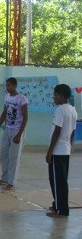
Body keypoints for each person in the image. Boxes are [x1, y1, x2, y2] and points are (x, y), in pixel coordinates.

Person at [45, 84, 77, 218]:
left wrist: (49, 152)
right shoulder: (72, 110)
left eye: (56, 94)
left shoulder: (60, 110)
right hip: (65, 150)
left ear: (62, 96)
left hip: (58, 151)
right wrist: (69, 145)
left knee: (57, 181)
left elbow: (57, 131)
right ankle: (57, 204)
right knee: (61, 180)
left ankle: (62, 210)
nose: (54, 97)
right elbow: (73, 132)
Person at [0, 77, 28, 190]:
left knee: (14, 156)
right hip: (7, 129)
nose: (7, 87)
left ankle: (11, 182)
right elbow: (5, 112)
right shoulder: (7, 96)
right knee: (3, 154)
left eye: (9, 85)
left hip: (17, 130)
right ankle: (4, 178)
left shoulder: (22, 99)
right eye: (6, 85)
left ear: (14, 85)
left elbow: (25, 118)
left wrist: (19, 134)